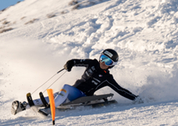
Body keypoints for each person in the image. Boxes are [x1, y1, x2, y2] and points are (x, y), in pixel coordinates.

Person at [11, 49, 141, 115]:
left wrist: (136, 99)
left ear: (112, 65)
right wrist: (70, 64)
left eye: (107, 62)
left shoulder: (107, 78)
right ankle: (24, 106)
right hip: (72, 92)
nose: (103, 62)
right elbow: (76, 61)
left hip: (82, 96)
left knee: (65, 89)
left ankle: (50, 109)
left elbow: (120, 90)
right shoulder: (93, 63)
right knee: (56, 95)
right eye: (102, 58)